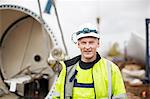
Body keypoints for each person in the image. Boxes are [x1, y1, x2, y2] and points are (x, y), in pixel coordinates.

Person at [52, 23, 127, 99]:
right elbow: (56, 96)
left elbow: (120, 97)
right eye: (83, 43)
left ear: (98, 44)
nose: (87, 47)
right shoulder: (67, 69)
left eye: (91, 42)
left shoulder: (111, 69)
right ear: (78, 44)